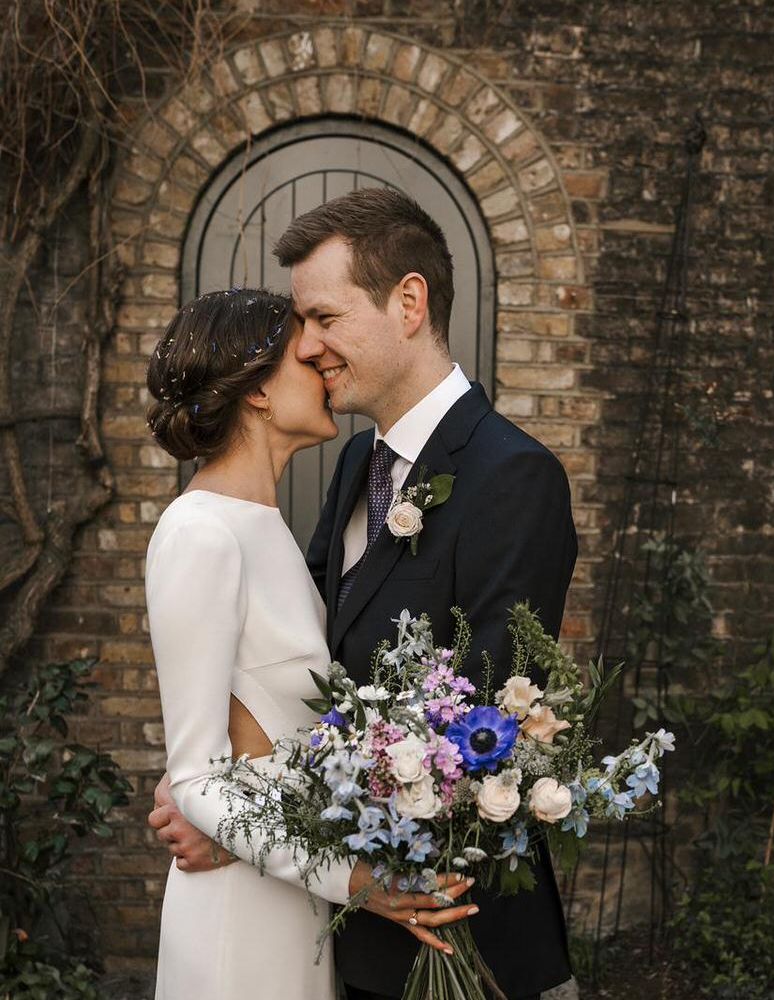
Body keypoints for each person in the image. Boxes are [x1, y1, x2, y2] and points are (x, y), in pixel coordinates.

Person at [149, 188, 577, 1000]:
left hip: (452, 934)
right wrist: (217, 795)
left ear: (408, 303)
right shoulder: (355, 468)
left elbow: (484, 726)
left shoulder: (513, 477)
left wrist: (239, 822)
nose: (309, 346)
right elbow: (312, 676)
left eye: (324, 317)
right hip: (343, 932)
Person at [144, 288, 476, 1000]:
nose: (325, 362)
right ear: (259, 391)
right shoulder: (200, 533)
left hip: (293, 900)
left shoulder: (267, 528)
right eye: (305, 354)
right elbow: (196, 775)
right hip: (240, 922)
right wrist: (359, 882)